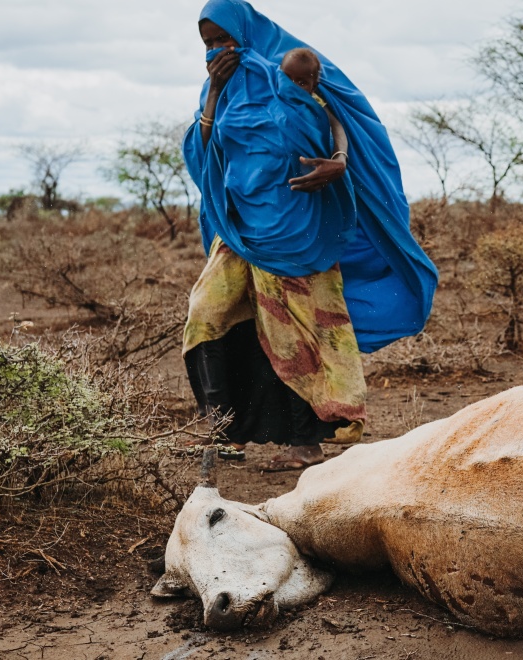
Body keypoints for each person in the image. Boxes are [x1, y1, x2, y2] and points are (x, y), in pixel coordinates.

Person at [183, 0, 438, 471]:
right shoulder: (216, 88)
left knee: (294, 332)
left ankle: (305, 445)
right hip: (239, 227)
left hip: (296, 225)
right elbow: (203, 154)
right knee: (207, 314)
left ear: (246, 30)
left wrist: (339, 161)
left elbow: (337, 118)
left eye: (224, 39)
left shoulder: (289, 66)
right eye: (208, 44)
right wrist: (216, 92)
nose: (218, 50)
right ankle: (224, 431)